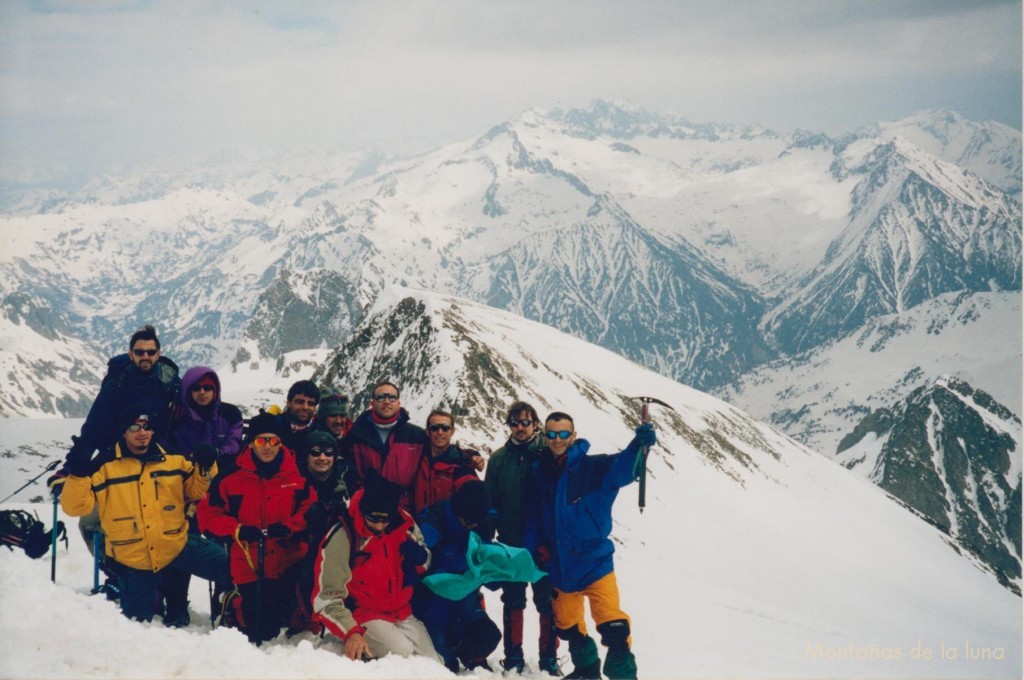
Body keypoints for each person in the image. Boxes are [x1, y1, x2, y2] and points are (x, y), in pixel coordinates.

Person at [59, 403, 228, 624]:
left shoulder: (172, 459)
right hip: (134, 558)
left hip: (176, 544)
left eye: (147, 426)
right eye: (134, 427)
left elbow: (196, 490)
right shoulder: (105, 466)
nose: (142, 433)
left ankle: (231, 613)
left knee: (233, 567)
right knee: (138, 624)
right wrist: (78, 474)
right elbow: (74, 507)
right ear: (123, 430)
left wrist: (206, 466)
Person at [523, 412, 656, 680]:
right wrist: (535, 549)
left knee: (614, 626)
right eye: (551, 434)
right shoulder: (541, 472)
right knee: (568, 626)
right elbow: (533, 517)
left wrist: (639, 445)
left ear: (573, 435)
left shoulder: (594, 468)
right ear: (544, 436)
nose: (557, 439)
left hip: (595, 563)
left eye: (563, 434)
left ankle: (624, 676)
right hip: (560, 566)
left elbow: (623, 469)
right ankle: (587, 670)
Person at [197, 412, 315, 644]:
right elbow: (208, 515)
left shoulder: (296, 475)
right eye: (261, 441)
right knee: (257, 631)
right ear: (251, 443)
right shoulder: (231, 478)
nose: (268, 447)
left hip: (287, 560)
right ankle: (231, 603)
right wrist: (237, 529)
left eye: (273, 441)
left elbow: (309, 509)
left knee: (284, 623)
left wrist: (290, 527)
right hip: (248, 562)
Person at [311, 473, 438, 663]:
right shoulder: (343, 534)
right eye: (373, 519)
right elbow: (325, 599)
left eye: (384, 521)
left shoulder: (403, 523)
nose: (379, 526)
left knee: (434, 664)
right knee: (403, 656)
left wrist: (420, 558)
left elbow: (426, 560)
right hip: (363, 614)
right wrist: (351, 632)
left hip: (401, 611)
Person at [162, 365, 244, 626]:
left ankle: (224, 605)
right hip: (184, 494)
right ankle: (176, 605)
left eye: (208, 388)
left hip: (221, 494)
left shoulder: (229, 414)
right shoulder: (175, 418)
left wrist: (216, 456)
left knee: (224, 548)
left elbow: (235, 443)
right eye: (197, 388)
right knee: (183, 546)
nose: (202, 392)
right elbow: (168, 451)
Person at [485, 401, 561, 674]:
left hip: (543, 545)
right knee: (513, 599)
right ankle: (514, 657)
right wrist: (488, 538)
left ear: (535, 424)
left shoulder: (548, 455)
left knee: (546, 602)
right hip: (511, 544)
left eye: (525, 422)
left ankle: (548, 659)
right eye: (514, 423)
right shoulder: (499, 460)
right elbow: (490, 502)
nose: (519, 428)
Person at [340, 381, 428, 513]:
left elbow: (440, 451)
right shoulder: (356, 434)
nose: (386, 401)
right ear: (372, 403)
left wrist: (467, 454)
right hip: (366, 510)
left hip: (403, 511)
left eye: (391, 397)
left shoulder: (416, 435)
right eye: (380, 397)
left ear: (399, 402)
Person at [411, 410, 483, 515]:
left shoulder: (461, 464)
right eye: (434, 428)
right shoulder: (417, 458)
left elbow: (474, 497)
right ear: (427, 432)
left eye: (445, 428)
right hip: (416, 525)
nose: (440, 432)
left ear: (452, 431)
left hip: (445, 528)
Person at [275, 380, 320, 452]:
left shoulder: (320, 430)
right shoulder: (274, 425)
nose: (305, 407)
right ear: (288, 403)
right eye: (300, 402)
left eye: (310, 403)